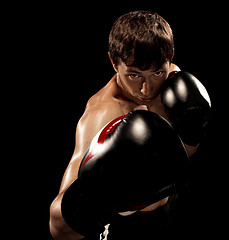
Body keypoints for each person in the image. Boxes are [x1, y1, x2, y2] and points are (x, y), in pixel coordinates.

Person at [49, 10, 211, 240]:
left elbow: (184, 154)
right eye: (134, 75)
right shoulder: (102, 114)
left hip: (173, 209)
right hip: (128, 229)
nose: (146, 89)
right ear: (114, 63)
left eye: (156, 73)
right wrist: (100, 191)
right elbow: (58, 227)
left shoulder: (173, 82)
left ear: (170, 57)